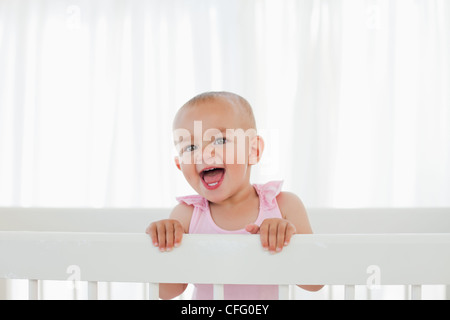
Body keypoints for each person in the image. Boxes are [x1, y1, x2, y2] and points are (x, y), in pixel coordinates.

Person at [146, 91, 323, 299]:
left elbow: (315, 283)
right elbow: (167, 292)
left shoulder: (283, 206)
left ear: (253, 150)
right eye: (190, 147)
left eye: (220, 141)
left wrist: (288, 244)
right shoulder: (185, 215)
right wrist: (164, 247)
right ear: (179, 164)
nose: (204, 154)